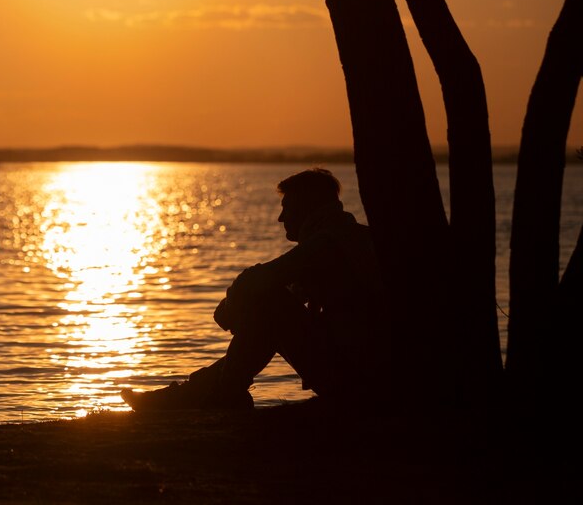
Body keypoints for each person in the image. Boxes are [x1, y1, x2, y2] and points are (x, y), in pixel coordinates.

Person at [121, 168, 388, 411]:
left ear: (308, 207)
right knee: (266, 312)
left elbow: (258, 280)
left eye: (287, 207)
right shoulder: (347, 237)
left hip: (360, 380)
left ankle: (216, 396)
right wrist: (245, 308)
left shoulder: (327, 244)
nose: (281, 217)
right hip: (363, 373)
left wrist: (232, 306)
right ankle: (199, 393)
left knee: (269, 305)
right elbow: (275, 296)